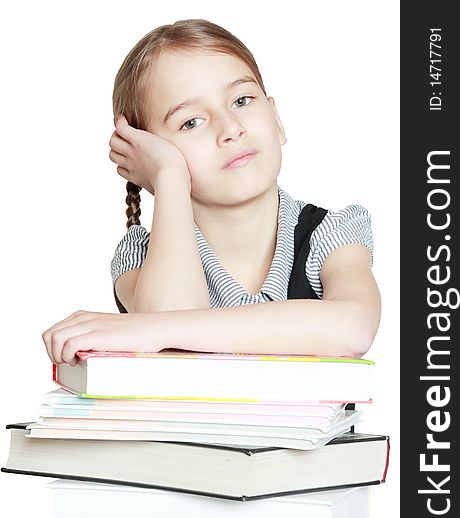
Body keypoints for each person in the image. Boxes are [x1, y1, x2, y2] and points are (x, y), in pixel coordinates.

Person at [42, 18, 381, 367]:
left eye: (242, 100)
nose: (230, 129)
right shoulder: (140, 256)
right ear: (147, 153)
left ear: (276, 118)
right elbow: (172, 347)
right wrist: (169, 176)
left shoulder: (332, 233)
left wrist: (145, 329)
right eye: (191, 122)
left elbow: (353, 327)